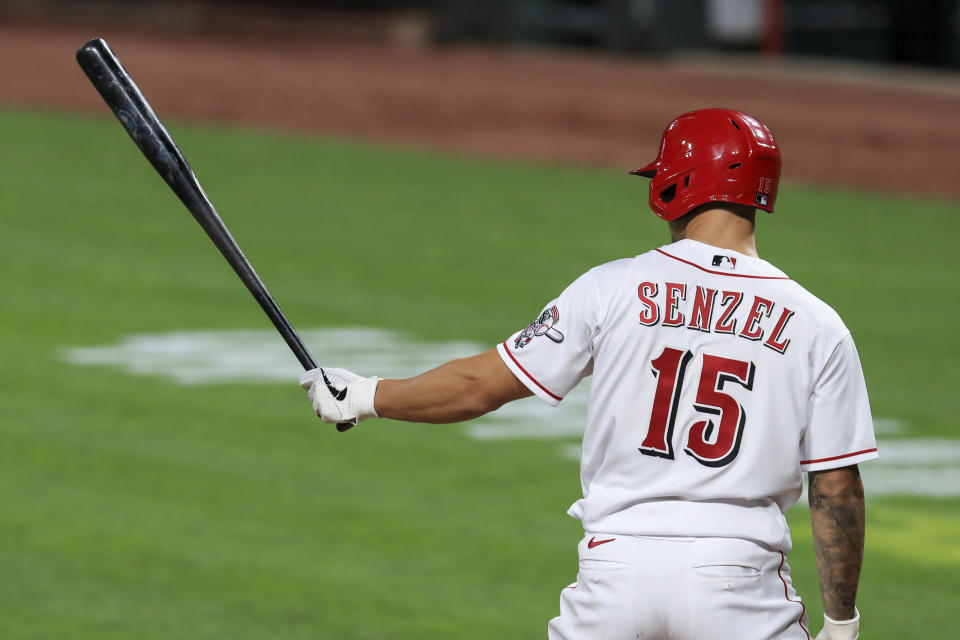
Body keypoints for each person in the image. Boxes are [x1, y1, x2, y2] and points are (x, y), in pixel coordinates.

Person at [299, 108, 877, 640]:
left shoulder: (611, 287)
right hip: (740, 585)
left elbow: (478, 387)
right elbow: (836, 489)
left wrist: (367, 395)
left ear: (676, 185)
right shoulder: (817, 324)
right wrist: (841, 622)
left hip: (614, 578)